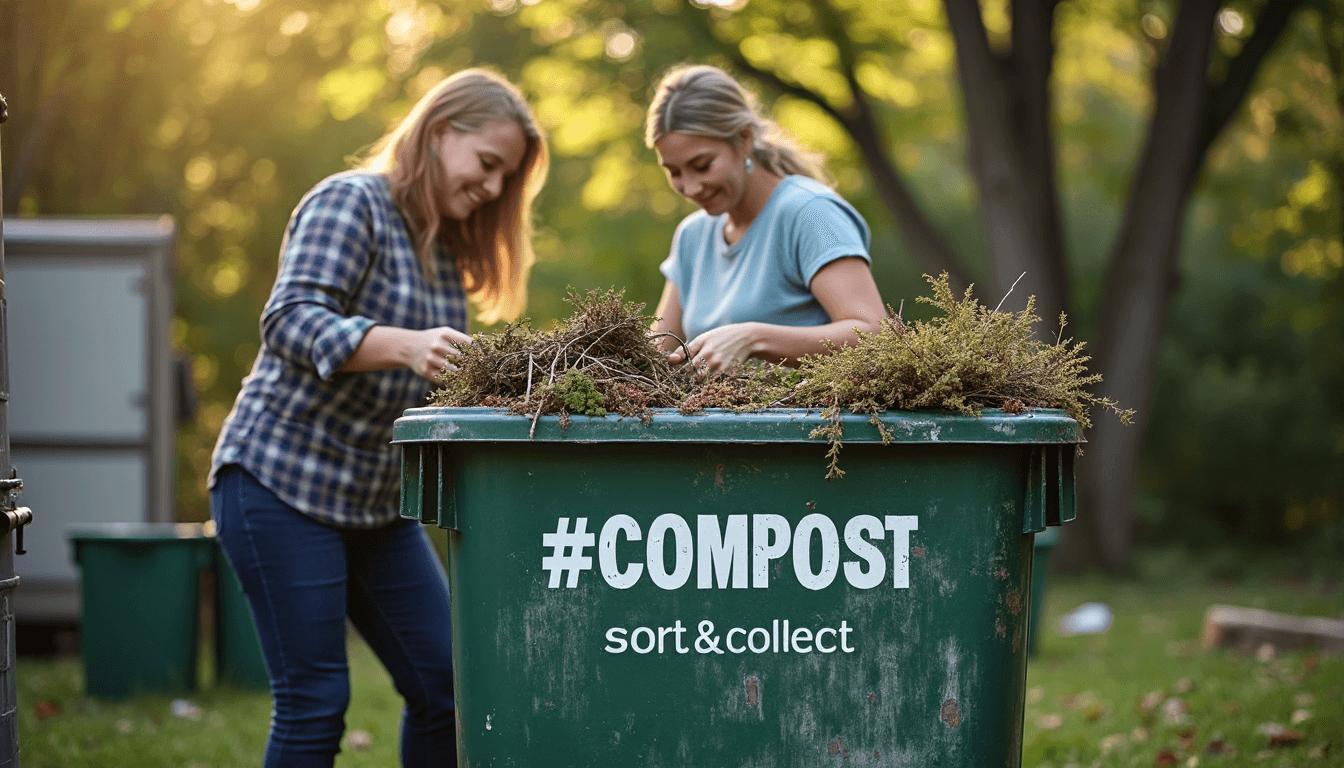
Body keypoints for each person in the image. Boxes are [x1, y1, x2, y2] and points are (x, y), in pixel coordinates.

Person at [209, 68, 548, 768]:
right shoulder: (351, 203)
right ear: (440, 131)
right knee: (315, 702)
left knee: (448, 686)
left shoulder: (445, 251)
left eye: (502, 178)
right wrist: (404, 345)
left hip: (372, 502)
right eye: (487, 165)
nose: (490, 189)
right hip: (279, 483)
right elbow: (291, 320)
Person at [645, 65, 885, 370]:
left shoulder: (809, 212)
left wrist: (754, 339)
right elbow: (655, 356)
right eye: (674, 172)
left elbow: (874, 335)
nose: (690, 187)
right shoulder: (693, 236)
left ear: (744, 139)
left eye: (703, 165)